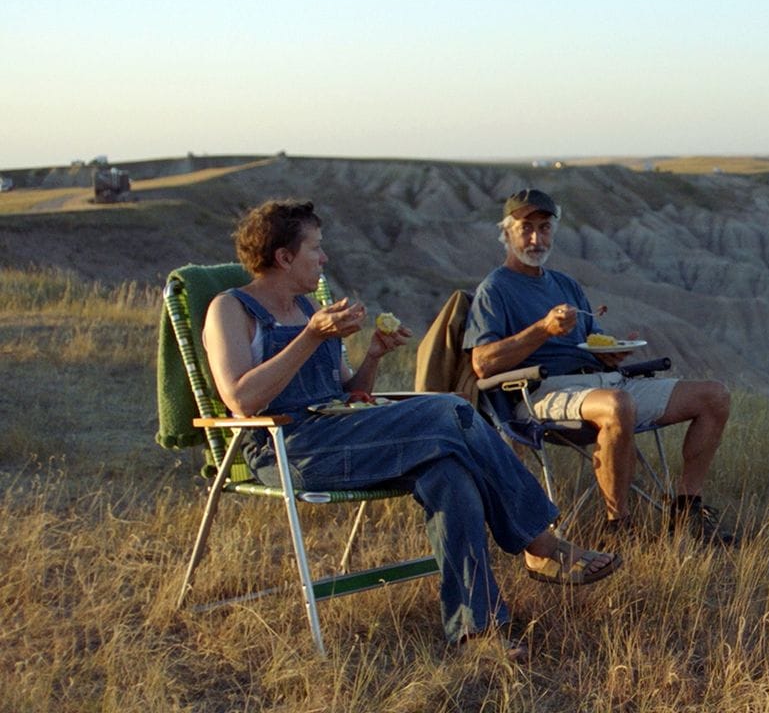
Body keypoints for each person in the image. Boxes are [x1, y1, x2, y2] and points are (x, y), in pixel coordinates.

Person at [202, 199, 620, 661]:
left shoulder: (307, 310)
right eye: (316, 249)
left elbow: (348, 393)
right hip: (288, 449)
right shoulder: (231, 309)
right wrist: (312, 338)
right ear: (284, 257)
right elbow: (240, 399)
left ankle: (475, 633)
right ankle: (538, 541)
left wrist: (374, 356)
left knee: (449, 472)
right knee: (451, 410)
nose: (324, 259)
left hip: (343, 435)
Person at [464, 189, 735, 545]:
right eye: (526, 228)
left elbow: (592, 342)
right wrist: (542, 329)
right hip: (540, 392)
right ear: (507, 233)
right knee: (617, 404)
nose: (535, 238)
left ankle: (686, 511)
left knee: (714, 396)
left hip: (602, 381)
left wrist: (611, 352)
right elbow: (482, 364)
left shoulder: (566, 285)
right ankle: (617, 527)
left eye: (544, 228)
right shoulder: (495, 289)